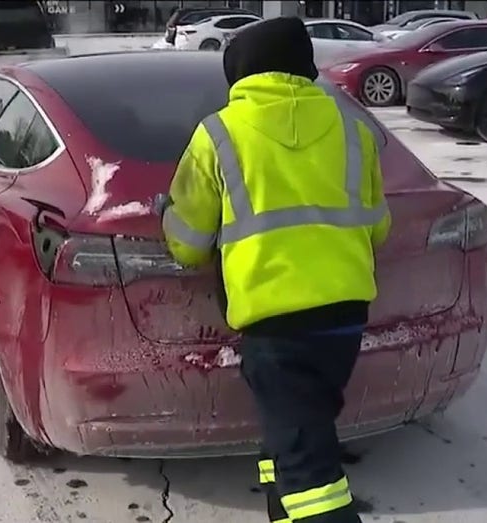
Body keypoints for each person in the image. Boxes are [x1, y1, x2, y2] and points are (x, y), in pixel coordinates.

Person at [155, 16, 391, 523]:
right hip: (346, 316)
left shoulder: (219, 133)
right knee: (293, 435)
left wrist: (165, 216)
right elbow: (377, 228)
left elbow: (190, 244)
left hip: (276, 323)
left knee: (311, 474)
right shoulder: (354, 129)